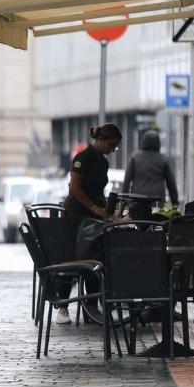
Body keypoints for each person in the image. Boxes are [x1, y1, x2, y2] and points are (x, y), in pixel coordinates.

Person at [59, 123, 122, 324]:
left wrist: (107, 212)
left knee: (96, 256)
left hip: (93, 217)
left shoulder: (103, 162)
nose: (112, 149)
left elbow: (98, 191)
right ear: (100, 140)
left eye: (115, 147)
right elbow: (75, 189)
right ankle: (63, 305)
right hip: (76, 215)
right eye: (111, 145)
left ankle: (92, 304)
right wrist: (95, 208)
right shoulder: (83, 158)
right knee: (73, 257)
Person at [122, 129, 178, 207]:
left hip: (137, 198)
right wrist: (175, 202)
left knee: (137, 214)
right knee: (156, 214)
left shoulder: (135, 157)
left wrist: (124, 200)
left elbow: (127, 180)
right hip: (157, 200)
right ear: (158, 143)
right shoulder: (163, 159)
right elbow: (171, 183)